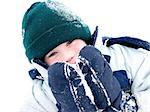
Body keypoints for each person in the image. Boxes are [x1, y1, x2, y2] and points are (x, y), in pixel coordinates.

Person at [20, 1, 150, 112]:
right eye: (53, 54)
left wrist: (130, 106)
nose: (67, 55)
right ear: (42, 63)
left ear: (84, 38)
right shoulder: (41, 96)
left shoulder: (124, 57)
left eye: (70, 43)